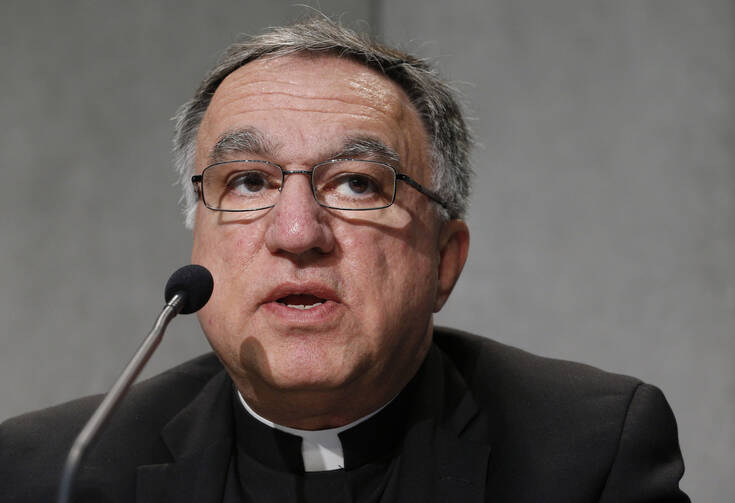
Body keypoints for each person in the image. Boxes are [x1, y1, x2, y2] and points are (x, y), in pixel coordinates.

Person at [0, 17, 689, 502]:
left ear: (444, 261)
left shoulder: (588, 452)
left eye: (357, 182)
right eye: (247, 181)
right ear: (198, 242)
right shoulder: (55, 470)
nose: (297, 231)